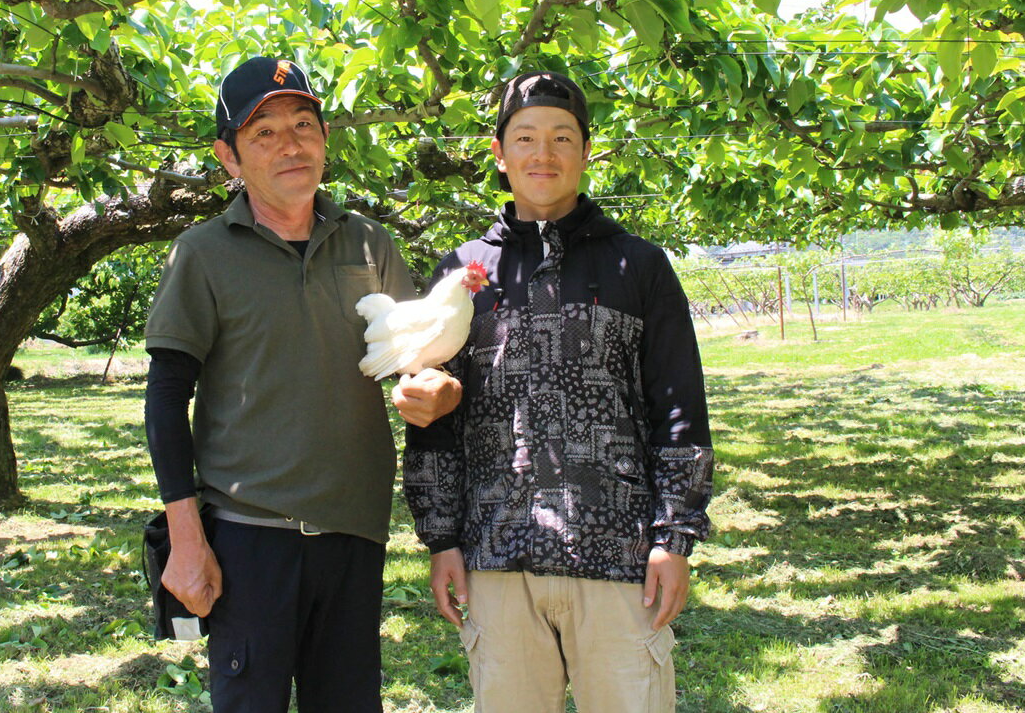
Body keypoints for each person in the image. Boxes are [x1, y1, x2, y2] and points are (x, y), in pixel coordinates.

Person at [142, 55, 460, 713]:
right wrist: (185, 535)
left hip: (353, 533)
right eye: (264, 132)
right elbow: (167, 395)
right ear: (228, 157)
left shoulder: (369, 244)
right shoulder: (203, 253)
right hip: (247, 537)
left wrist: (439, 390)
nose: (291, 144)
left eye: (303, 123)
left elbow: (418, 358)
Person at [402, 70, 714, 713]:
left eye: (562, 138)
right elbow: (433, 419)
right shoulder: (465, 276)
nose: (543, 154)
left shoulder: (640, 267)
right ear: (499, 153)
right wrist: (442, 539)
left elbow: (678, 409)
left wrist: (672, 538)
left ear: (587, 151)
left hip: (621, 557)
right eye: (525, 138)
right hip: (496, 555)